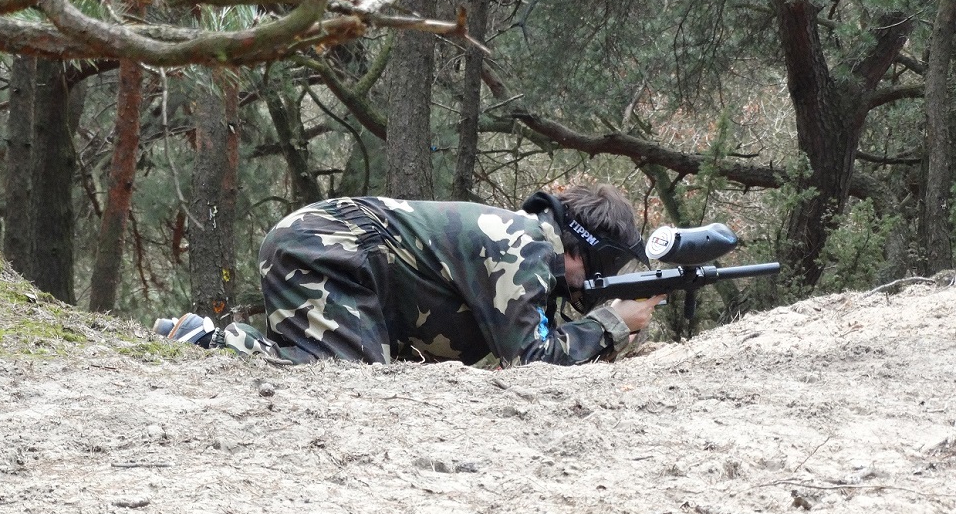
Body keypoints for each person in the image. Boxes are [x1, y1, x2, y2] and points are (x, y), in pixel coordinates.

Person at [156, 183, 665, 367]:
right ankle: (209, 340)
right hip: (327, 245)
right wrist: (613, 323)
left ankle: (217, 340)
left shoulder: (526, 244)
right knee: (341, 378)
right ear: (580, 248)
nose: (595, 282)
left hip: (326, 242)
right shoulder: (524, 246)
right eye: (604, 268)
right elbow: (531, 360)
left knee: (337, 368)